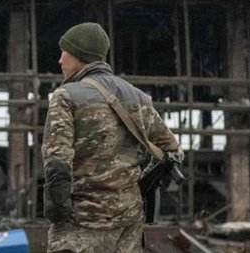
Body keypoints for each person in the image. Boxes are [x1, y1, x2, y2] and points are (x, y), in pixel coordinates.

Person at [42, 22, 181, 253]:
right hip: (128, 221)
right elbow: (171, 149)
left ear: (79, 55)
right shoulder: (137, 97)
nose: (60, 61)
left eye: (63, 52)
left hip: (82, 223)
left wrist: (58, 216)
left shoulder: (65, 96)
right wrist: (141, 183)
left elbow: (57, 162)